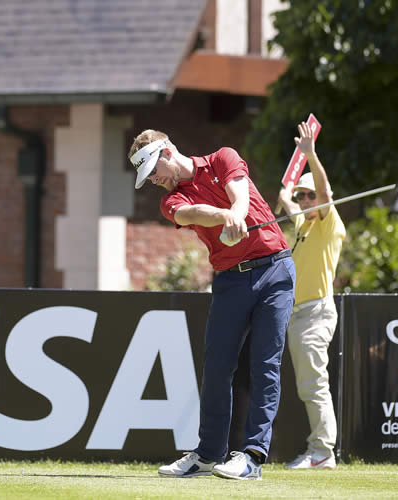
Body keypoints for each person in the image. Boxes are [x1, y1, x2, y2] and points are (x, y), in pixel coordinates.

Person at [128, 129, 295, 480]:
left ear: (167, 152)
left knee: (265, 364)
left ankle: (252, 456)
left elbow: (240, 194)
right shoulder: (170, 201)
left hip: (275, 269)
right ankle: (207, 455)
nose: (154, 180)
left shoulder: (223, 158)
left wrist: (236, 213)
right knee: (218, 368)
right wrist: (224, 217)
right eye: (149, 177)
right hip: (231, 280)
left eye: (154, 170)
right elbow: (193, 213)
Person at [276, 121, 346, 469]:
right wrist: (291, 178)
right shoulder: (304, 224)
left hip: (315, 313)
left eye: (310, 196)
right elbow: (284, 199)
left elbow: (325, 192)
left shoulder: (328, 222)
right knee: (309, 385)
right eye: (302, 196)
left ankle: (322, 452)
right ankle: (320, 450)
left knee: (314, 384)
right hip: (298, 314)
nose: (305, 200)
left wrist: (311, 155)